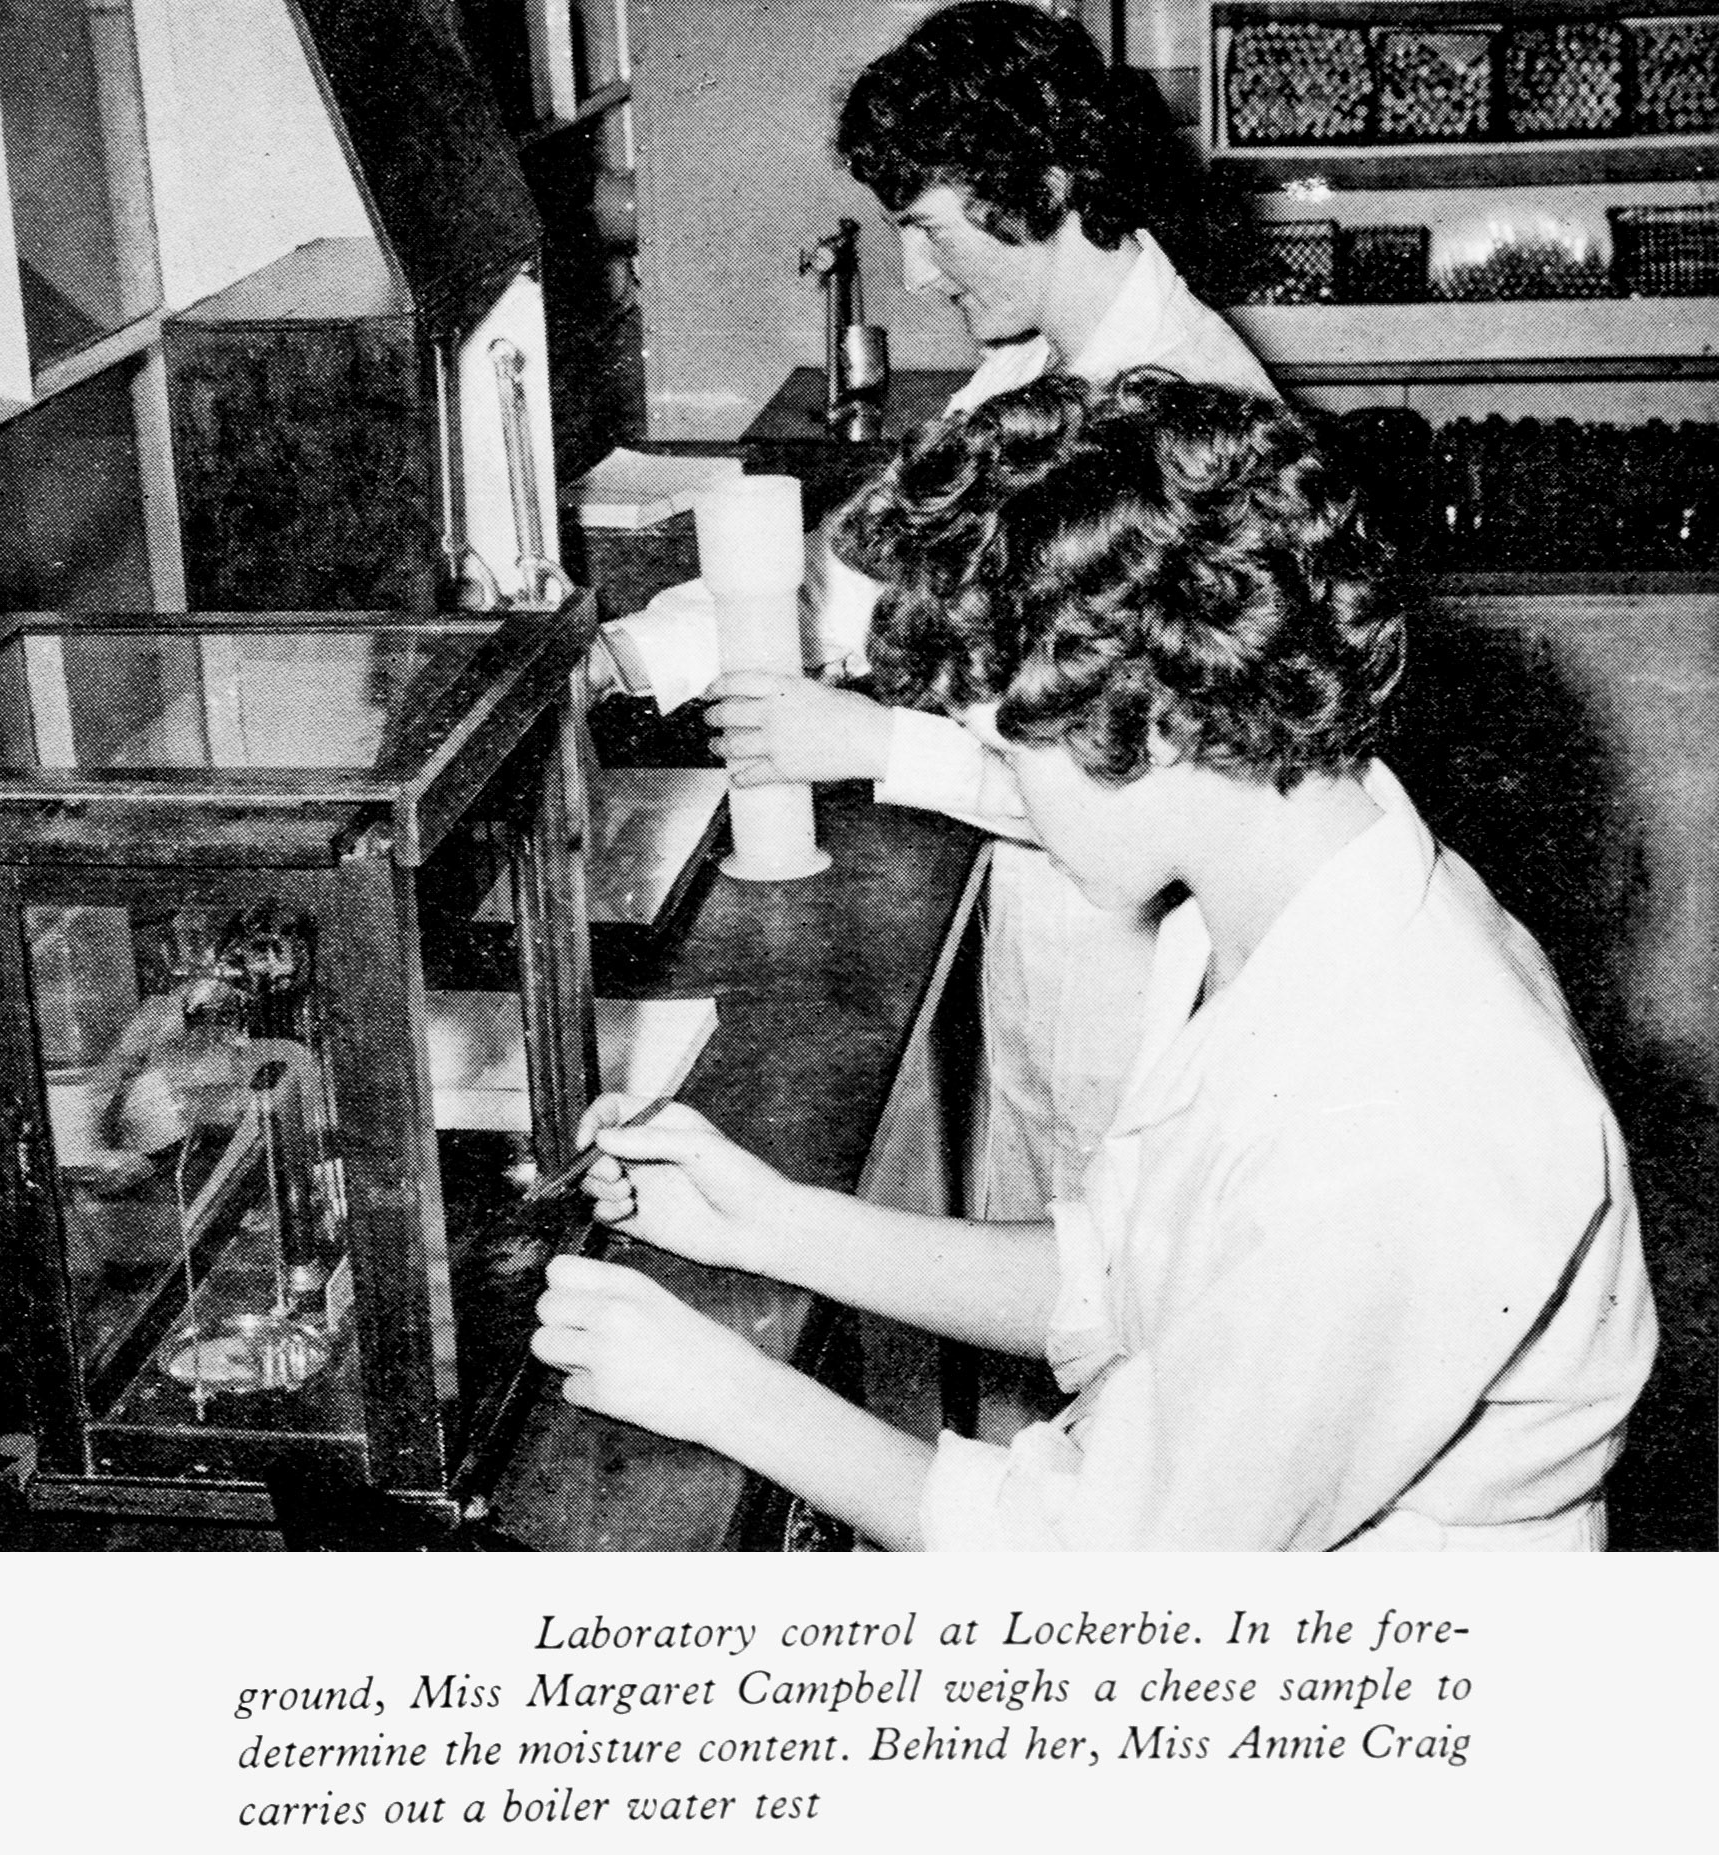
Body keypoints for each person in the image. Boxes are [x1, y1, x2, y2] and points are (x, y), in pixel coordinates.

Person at [532, 371, 1658, 1552]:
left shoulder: (1396, 1110)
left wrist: (731, 1395)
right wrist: (772, 1224)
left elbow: (1121, 1571)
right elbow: (1125, 1274)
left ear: (1161, 720)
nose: (1004, 793)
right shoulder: (1278, 904)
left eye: (1005, 758)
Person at [704, 2, 1276, 1221]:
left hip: (1135, 977)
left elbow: (1167, 788)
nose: (912, 271)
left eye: (926, 228)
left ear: (1049, 182)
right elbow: (872, 561)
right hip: (1046, 931)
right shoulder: (1033, 360)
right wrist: (634, 646)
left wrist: (872, 745)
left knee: (1104, 1314)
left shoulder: (1182, 411)